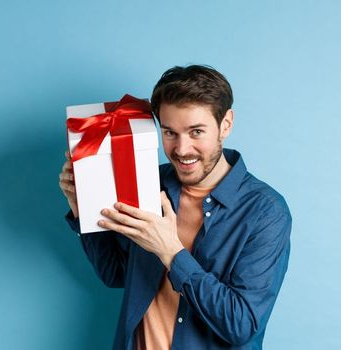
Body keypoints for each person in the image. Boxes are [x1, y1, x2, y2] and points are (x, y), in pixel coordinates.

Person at [59, 64, 291, 349]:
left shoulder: (265, 212)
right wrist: (83, 210)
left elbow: (241, 325)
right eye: (169, 132)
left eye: (196, 132)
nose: (181, 149)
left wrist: (170, 251)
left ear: (225, 124)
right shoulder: (147, 181)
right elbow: (115, 274)